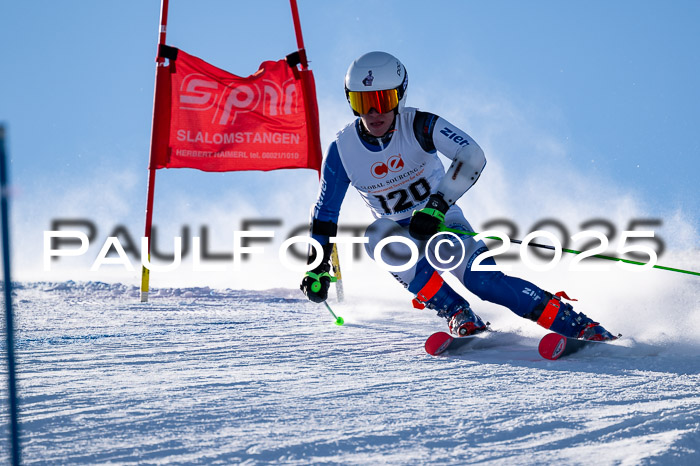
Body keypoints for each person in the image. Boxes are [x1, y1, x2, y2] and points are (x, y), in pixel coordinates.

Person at [300, 51, 615, 341]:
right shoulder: (343, 151)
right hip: (401, 234)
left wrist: (436, 207)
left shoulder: (420, 125)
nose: (374, 112)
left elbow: (472, 154)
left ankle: (578, 325)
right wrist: (317, 265)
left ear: (400, 96)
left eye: (383, 99)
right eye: (362, 101)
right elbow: (325, 212)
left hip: (441, 222)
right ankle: (458, 314)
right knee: (377, 236)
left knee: (485, 284)